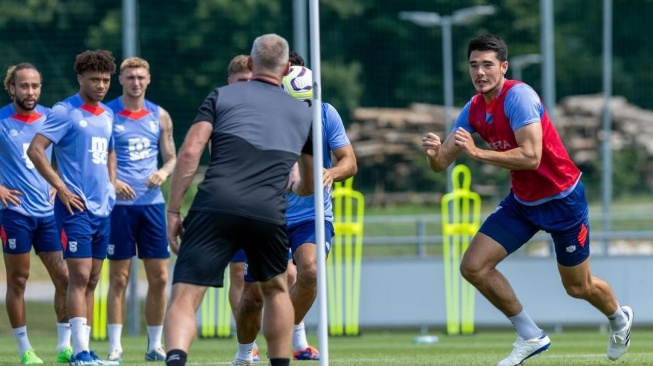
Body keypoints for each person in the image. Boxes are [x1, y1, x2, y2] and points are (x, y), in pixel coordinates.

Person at [421, 34, 633, 366]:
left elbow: (532, 157)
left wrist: (477, 152)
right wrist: (433, 154)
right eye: (474, 65)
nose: (480, 72)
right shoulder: (473, 108)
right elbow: (442, 163)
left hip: (562, 200)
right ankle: (530, 334)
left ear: (503, 67)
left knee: (578, 287)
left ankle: (619, 319)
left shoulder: (518, 97)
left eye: (488, 65)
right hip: (523, 203)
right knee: (473, 267)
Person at [163, 33, 314, 366]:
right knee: (275, 290)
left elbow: (189, 152)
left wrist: (173, 210)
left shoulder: (221, 96)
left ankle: (175, 359)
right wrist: (293, 188)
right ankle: (279, 362)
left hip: (215, 203)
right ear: (287, 68)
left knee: (186, 295)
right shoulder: (304, 114)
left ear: (249, 63)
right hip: (268, 210)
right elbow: (309, 183)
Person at [231, 62, 357, 364]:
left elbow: (349, 161)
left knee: (310, 271)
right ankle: (244, 355)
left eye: (307, 103)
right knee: (252, 297)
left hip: (312, 215)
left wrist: (331, 172)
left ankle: (284, 336)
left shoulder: (326, 113)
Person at [27, 49, 119, 366]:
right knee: (78, 277)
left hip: (102, 209)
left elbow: (108, 151)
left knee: (93, 280)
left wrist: (111, 183)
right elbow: (36, 150)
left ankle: (87, 349)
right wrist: (60, 187)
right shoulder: (64, 111)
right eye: (94, 79)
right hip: (74, 207)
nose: (101, 85)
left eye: (106, 80)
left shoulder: (108, 114)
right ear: (80, 78)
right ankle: (79, 353)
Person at [104, 57, 177, 363]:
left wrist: (163, 173)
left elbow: (172, 157)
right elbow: (99, 156)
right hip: (118, 207)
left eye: (141, 77)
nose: (136, 82)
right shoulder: (107, 113)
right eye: (130, 76)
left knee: (159, 277)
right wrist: (114, 181)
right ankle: (115, 347)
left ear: (149, 79)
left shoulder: (160, 116)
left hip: (152, 206)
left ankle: (155, 345)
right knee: (119, 279)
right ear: (120, 79)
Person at [0, 63, 71, 364]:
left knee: (65, 278)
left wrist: (57, 181)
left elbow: (68, 155)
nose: (30, 92)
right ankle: (25, 349)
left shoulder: (50, 118)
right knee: (19, 280)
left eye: (35, 86)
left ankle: (64, 347)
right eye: (24, 86)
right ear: (12, 87)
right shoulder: (2, 120)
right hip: (14, 213)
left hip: (48, 214)